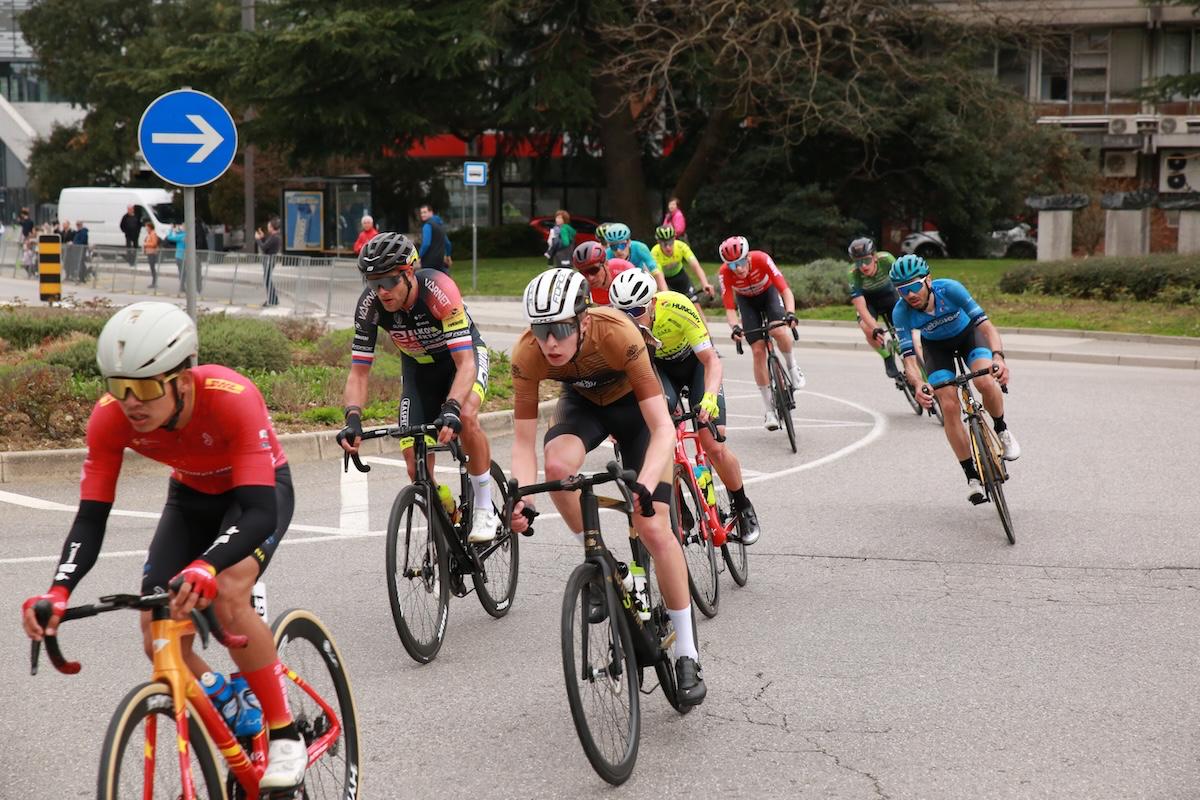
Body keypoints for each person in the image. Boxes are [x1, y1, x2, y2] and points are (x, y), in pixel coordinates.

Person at [19, 302, 309, 791]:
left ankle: (283, 732)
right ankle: (227, 698)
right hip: (191, 496)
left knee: (231, 595)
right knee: (157, 631)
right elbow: (91, 518)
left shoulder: (232, 397)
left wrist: (208, 567)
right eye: (119, 386)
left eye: (147, 386)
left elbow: (259, 513)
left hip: (255, 494)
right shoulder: (111, 420)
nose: (131, 401)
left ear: (184, 378)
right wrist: (60, 590)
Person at [507, 268, 707, 705]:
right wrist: (518, 495)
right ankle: (602, 565)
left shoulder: (617, 333)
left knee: (655, 528)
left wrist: (646, 486)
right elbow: (523, 446)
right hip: (584, 408)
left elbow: (663, 429)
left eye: (560, 329)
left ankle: (689, 652)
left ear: (582, 321)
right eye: (541, 331)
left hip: (638, 413)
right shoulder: (528, 354)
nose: (550, 343)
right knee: (556, 466)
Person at [339, 232, 499, 543]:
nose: (381, 291)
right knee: (414, 463)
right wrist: (352, 419)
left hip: (462, 360)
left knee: (465, 417)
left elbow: (465, 364)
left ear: (409, 273)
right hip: (418, 371)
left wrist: (450, 407)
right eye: (373, 283)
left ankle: (483, 506)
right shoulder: (370, 306)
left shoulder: (439, 290)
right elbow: (359, 373)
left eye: (388, 282)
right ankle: (447, 516)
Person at [608, 269, 761, 545]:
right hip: (661, 370)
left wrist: (710, 397)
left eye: (638, 310)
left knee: (712, 443)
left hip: (695, 365)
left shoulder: (677, 306)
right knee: (661, 437)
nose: (631, 319)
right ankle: (681, 509)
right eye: (623, 313)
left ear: (653, 303)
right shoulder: (618, 327)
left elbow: (711, 360)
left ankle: (742, 504)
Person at [889, 254, 1022, 504]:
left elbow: (986, 327)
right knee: (948, 405)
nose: (909, 294)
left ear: (928, 280)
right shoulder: (901, 312)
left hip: (968, 336)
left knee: (984, 380)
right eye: (902, 290)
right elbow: (908, 358)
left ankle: (1002, 429)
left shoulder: (949, 289)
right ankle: (971, 476)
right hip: (936, 349)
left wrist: (998, 358)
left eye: (914, 286)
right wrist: (918, 385)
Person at [718, 235, 806, 431]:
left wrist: (790, 313)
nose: (738, 269)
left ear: (748, 257)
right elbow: (730, 307)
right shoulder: (724, 273)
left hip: (769, 295)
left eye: (740, 262)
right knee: (758, 351)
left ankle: (792, 367)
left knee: (779, 330)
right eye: (732, 265)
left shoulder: (762, 259)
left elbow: (785, 290)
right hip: (747, 303)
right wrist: (734, 328)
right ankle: (769, 411)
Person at [847, 237, 900, 379]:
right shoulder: (853, 274)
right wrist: (874, 327)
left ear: (875, 257)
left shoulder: (887, 259)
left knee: (906, 332)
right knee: (867, 328)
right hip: (870, 302)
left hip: (890, 296)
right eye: (858, 262)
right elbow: (860, 306)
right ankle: (887, 357)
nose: (863, 266)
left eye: (866, 260)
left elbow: (902, 283)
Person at [651, 225, 713, 299]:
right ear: (658, 242)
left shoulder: (681, 246)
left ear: (674, 239)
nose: (668, 247)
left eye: (670, 242)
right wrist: (666, 294)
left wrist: (705, 283)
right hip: (665, 280)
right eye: (663, 243)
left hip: (680, 276)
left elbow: (696, 266)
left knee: (694, 303)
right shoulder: (655, 253)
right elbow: (659, 276)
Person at [603, 222, 666, 292]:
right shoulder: (607, 254)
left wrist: (665, 294)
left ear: (629, 242)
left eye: (622, 245)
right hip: (619, 281)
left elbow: (656, 272)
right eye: (613, 247)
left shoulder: (640, 248)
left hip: (640, 277)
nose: (618, 250)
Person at [571, 240, 632, 305]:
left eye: (593, 270)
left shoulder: (625, 269)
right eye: (584, 273)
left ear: (606, 264)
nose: (590, 278)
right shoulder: (583, 289)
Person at [418, 204, 453, 273]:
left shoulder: (427, 225)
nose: (422, 215)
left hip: (428, 261)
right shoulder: (440, 225)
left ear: (431, 212)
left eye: (425, 212)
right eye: (421, 213)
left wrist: (419, 256)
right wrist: (448, 256)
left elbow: (426, 244)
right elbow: (447, 243)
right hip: (440, 260)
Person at [255, 218, 282, 306]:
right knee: (267, 279)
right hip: (269, 260)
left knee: (267, 280)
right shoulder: (273, 237)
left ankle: (272, 300)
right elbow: (266, 247)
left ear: (272, 227)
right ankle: (273, 299)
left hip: (270, 260)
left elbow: (263, 247)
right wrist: (262, 238)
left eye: (269, 225)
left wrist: (258, 239)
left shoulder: (275, 237)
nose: (267, 227)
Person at [143, 220, 159, 289]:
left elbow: (154, 243)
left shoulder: (153, 234)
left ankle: (154, 282)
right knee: (151, 268)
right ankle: (153, 282)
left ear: (150, 227)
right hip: (149, 253)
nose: (146, 228)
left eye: (146, 227)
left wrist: (146, 244)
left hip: (152, 253)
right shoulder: (149, 234)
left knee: (153, 268)